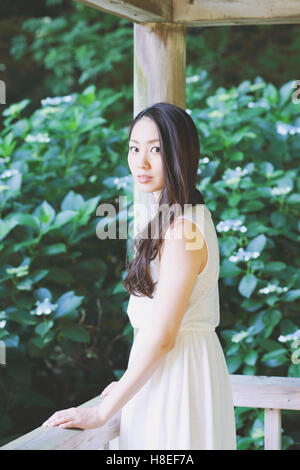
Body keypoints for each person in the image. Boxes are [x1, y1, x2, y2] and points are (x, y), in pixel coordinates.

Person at [42, 102, 237, 450]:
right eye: (134, 148)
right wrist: (129, 383)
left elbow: (163, 336)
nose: (140, 162)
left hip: (178, 378)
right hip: (170, 373)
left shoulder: (182, 230)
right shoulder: (182, 217)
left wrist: (101, 413)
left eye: (156, 149)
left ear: (181, 154)